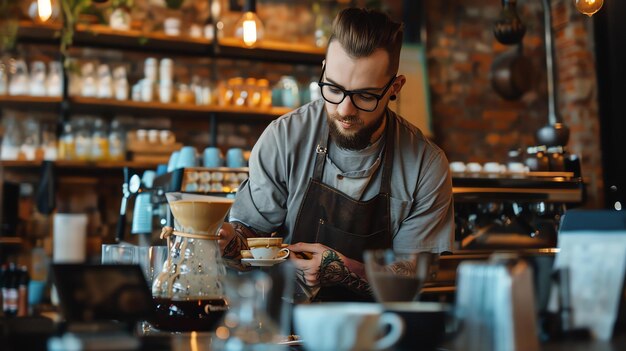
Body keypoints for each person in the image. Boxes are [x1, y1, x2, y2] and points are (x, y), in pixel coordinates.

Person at [218, 7, 454, 302]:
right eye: (333, 88)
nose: (344, 109)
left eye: (365, 95)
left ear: (395, 88)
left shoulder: (425, 165)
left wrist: (345, 269)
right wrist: (225, 240)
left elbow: (414, 277)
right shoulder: (284, 138)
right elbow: (249, 237)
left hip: (377, 333)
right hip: (282, 326)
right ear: (324, 68)